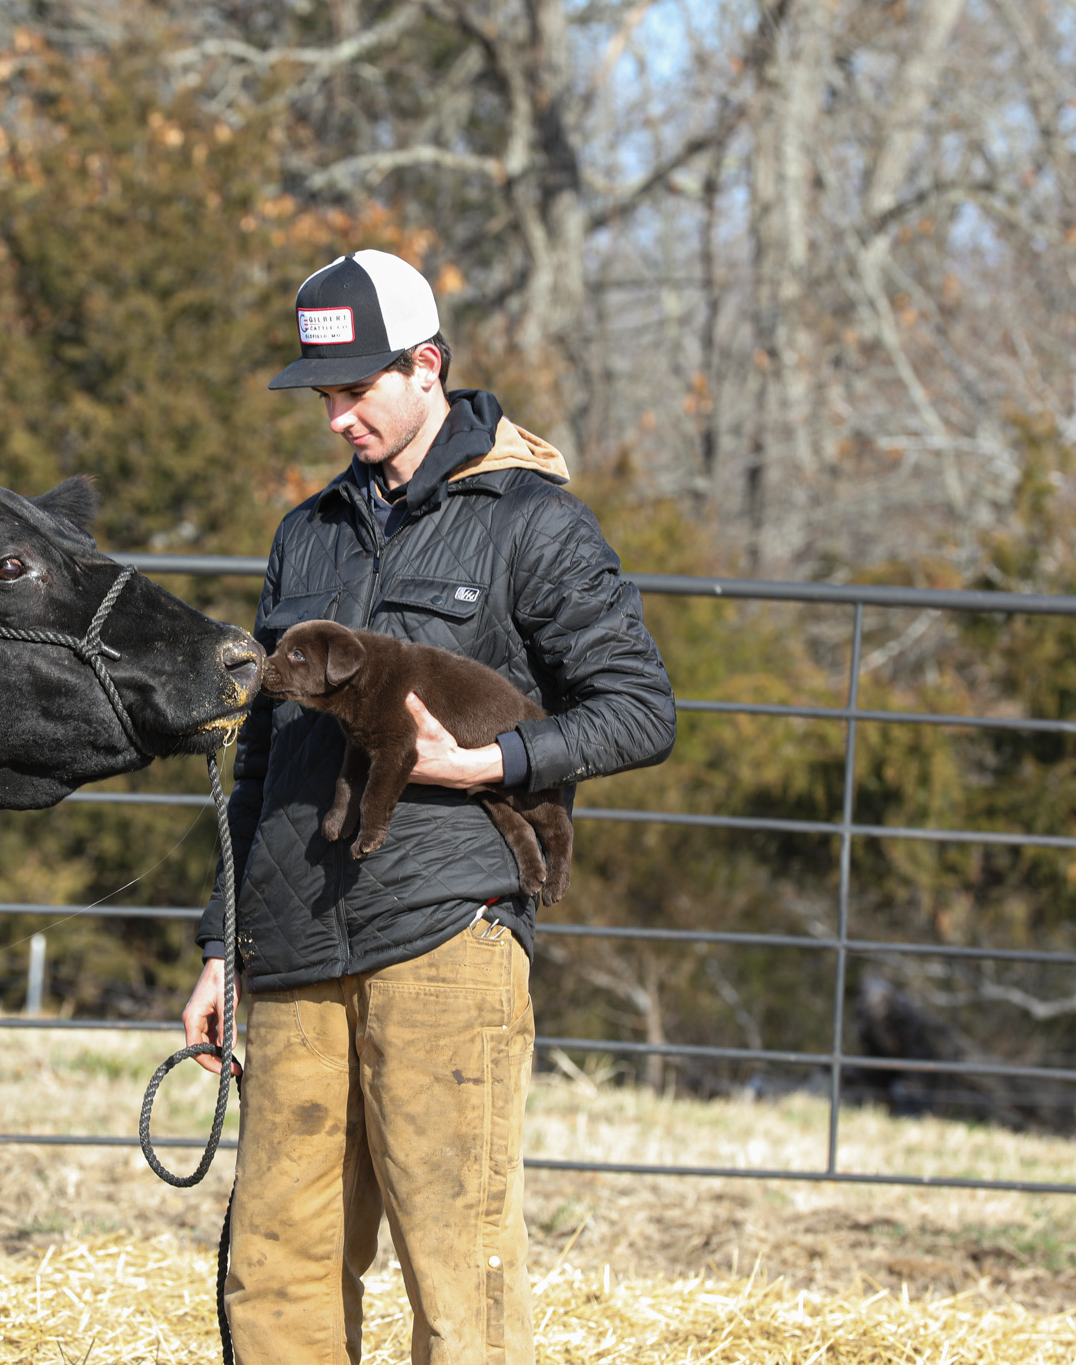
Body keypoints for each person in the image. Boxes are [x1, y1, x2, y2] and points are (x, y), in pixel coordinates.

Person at [184, 249, 676, 1365]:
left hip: (443, 937)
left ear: (426, 366)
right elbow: (262, 756)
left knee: (457, 1271)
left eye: (355, 391)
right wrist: (221, 944)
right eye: (324, 395)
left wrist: (489, 763)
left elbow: (640, 712)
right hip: (296, 940)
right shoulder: (303, 537)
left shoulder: (531, 526)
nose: (336, 420)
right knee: (275, 1264)